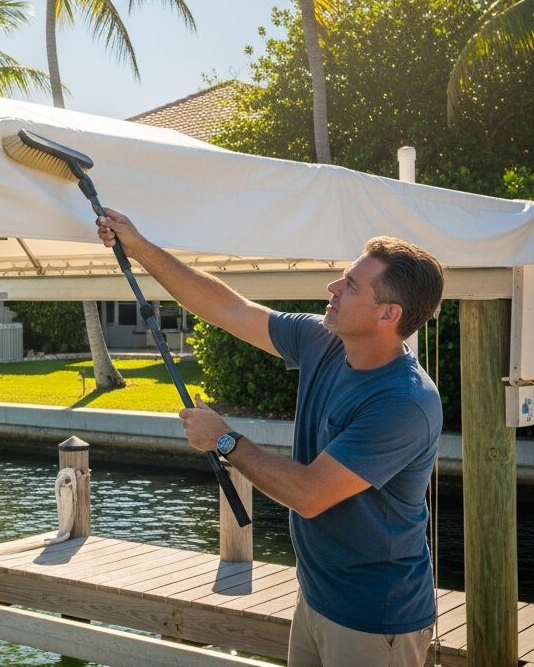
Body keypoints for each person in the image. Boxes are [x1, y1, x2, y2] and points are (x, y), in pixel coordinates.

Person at [96, 208, 444, 667]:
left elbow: (309, 494)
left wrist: (225, 441)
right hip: (317, 598)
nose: (333, 288)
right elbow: (228, 308)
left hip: (375, 619)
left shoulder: (404, 402)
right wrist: (139, 247)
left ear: (388, 313)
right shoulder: (323, 340)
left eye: (351, 285)